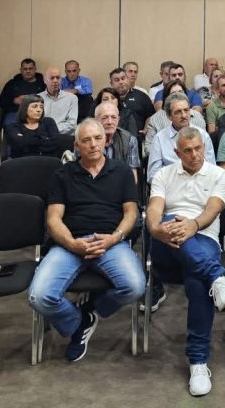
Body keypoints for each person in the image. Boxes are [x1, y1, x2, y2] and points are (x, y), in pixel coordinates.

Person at [26, 118, 146, 363]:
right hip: (70, 244)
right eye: (86, 140)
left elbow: (131, 213)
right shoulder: (62, 174)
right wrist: (72, 243)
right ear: (76, 145)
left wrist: (114, 238)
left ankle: (92, 308)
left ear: (105, 141)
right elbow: (53, 219)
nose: (93, 144)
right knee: (39, 296)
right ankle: (79, 321)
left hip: (110, 242)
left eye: (98, 138)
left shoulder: (122, 171)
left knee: (135, 286)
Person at [146, 127, 225, 396]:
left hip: (204, 238)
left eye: (198, 149)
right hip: (166, 243)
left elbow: (213, 209)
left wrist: (193, 225)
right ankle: (217, 276)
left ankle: (198, 362)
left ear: (204, 147)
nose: (194, 155)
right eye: (187, 151)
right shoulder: (164, 174)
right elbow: (154, 209)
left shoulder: (219, 175)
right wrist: (156, 229)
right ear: (177, 152)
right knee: (169, 222)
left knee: (198, 282)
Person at [147, 93, 216, 184]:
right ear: (169, 116)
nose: (184, 115)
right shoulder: (159, 138)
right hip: (170, 187)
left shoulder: (202, 135)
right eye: (178, 112)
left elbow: (211, 169)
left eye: (186, 110)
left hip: (199, 185)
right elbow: (153, 175)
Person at [144, 79, 205, 159]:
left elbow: (205, 145)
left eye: (181, 92)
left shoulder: (197, 117)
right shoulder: (155, 120)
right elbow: (148, 148)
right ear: (166, 98)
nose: (178, 96)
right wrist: (166, 156)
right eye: (174, 94)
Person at [7, 95, 74, 158]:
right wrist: (45, 139)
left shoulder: (48, 122)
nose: (39, 110)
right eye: (34, 106)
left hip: (48, 161)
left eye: (41, 107)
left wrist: (27, 140)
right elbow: (20, 144)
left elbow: (57, 143)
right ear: (25, 108)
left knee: (68, 139)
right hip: (22, 162)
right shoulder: (13, 126)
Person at [94, 100, 141, 181]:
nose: (110, 122)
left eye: (113, 117)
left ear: (118, 119)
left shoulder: (129, 140)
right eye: (105, 118)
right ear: (96, 120)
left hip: (120, 186)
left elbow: (132, 177)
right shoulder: (86, 140)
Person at [0, 58, 46, 127]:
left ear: (35, 69)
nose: (28, 71)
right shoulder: (12, 83)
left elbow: (50, 100)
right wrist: (14, 101)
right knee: (10, 124)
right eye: (25, 69)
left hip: (37, 112)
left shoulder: (43, 84)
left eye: (30, 68)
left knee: (46, 123)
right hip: (16, 112)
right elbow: (1, 102)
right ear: (21, 70)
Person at [110, 67, 155, 140]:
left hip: (137, 139)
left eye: (123, 78)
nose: (121, 82)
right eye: (117, 80)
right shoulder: (106, 98)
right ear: (111, 84)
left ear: (127, 79)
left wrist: (146, 129)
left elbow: (151, 115)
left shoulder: (141, 96)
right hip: (113, 139)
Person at [42, 67, 79, 136]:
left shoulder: (72, 98)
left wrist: (51, 130)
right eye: (52, 78)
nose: (55, 80)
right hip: (44, 137)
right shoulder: (38, 98)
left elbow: (72, 124)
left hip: (64, 136)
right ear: (44, 80)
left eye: (58, 78)